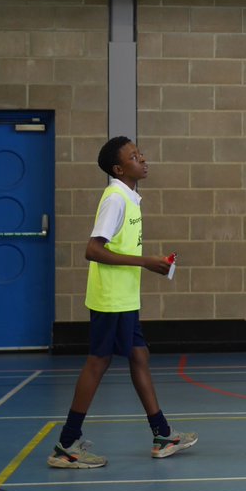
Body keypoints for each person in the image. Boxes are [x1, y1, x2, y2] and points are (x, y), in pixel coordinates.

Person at [47, 137, 197, 468]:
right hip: (110, 299)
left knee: (139, 355)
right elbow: (93, 249)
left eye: (139, 153)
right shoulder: (115, 198)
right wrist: (147, 262)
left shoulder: (130, 198)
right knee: (97, 362)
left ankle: (162, 435)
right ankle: (67, 445)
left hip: (125, 297)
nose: (142, 159)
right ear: (119, 169)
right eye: (133, 156)